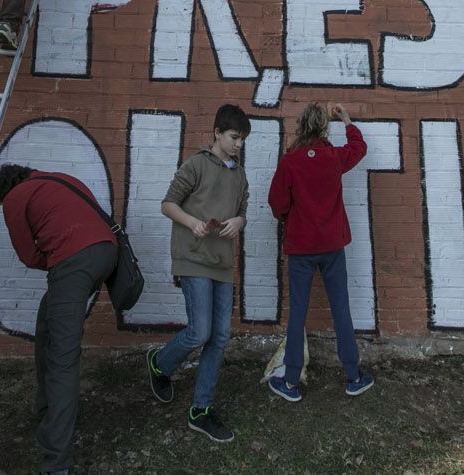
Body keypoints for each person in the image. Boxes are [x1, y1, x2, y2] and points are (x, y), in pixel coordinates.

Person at [0, 162, 119, 475]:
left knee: (62, 358)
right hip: (106, 253)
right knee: (46, 325)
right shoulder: (61, 178)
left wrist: (55, 259)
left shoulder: (15, 197)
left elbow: (27, 254)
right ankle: (47, 407)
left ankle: (56, 462)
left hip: (73, 261)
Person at [146, 104, 251, 442]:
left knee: (220, 336)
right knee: (200, 331)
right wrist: (192, 222)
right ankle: (160, 363)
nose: (239, 144)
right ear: (217, 133)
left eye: (243, 139)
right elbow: (167, 204)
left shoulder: (239, 174)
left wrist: (239, 221)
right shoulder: (195, 165)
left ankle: (200, 410)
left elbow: (243, 211)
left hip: (221, 263)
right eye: (235, 137)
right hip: (193, 259)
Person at [265, 102, 375, 402]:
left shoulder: (291, 161)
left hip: (301, 248)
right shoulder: (332, 158)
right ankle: (353, 376)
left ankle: (290, 382)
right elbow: (358, 147)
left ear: (301, 126)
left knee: (298, 312)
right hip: (331, 247)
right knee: (341, 308)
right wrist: (348, 120)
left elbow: (276, 202)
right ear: (324, 128)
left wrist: (289, 217)